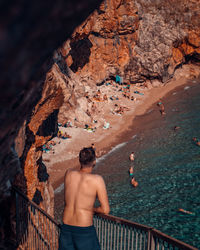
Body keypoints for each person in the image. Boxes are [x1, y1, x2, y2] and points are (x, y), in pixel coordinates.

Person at [59, 147, 110, 250]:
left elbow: (67, 200)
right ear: (94, 161)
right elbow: (105, 210)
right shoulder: (97, 180)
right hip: (84, 230)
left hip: (66, 227)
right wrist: (91, 209)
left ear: (80, 160)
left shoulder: (69, 173)